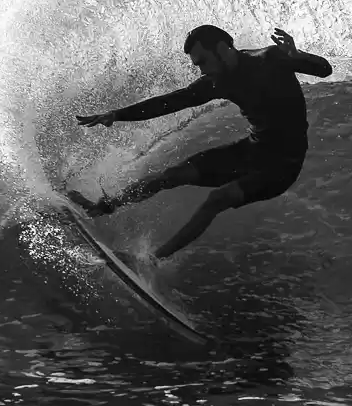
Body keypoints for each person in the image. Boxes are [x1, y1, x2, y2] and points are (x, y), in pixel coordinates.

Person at [70, 25, 333, 260]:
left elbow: (324, 70)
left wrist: (298, 57)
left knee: (218, 198)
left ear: (221, 49)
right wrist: (117, 115)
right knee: (172, 175)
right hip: (253, 150)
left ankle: (151, 261)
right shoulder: (219, 81)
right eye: (197, 65)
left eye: (203, 61)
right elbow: (172, 101)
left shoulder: (270, 59)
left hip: (283, 165)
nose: (201, 69)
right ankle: (99, 208)